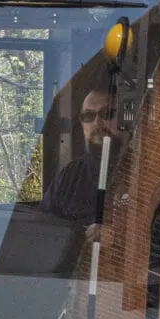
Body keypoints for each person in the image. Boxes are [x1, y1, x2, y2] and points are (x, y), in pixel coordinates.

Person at [41, 89, 118, 225]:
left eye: (106, 114)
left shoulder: (140, 171)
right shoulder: (69, 176)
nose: (97, 122)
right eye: (88, 116)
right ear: (82, 124)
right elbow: (44, 227)